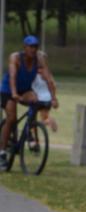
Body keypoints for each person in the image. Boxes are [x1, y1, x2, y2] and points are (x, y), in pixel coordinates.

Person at [0, 35, 57, 167]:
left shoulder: (39, 58)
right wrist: (14, 93)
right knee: (11, 118)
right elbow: (13, 76)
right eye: (30, 46)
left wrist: (53, 98)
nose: (33, 49)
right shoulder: (15, 57)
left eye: (35, 47)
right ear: (24, 48)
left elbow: (48, 78)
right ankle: (2, 152)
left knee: (35, 101)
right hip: (8, 90)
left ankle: (30, 134)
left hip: (25, 90)